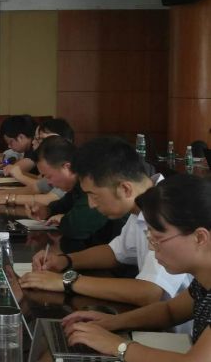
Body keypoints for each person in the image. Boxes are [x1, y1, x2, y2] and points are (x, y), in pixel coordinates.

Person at [19, 137, 191, 324]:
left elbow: (150, 292)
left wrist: (67, 281)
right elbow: (115, 252)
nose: (91, 205)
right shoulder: (142, 205)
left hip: (175, 332)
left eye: (93, 195)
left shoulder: (169, 212)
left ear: (125, 189)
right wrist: (65, 261)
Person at [62, 174, 211, 362]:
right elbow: (170, 311)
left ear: (199, 237)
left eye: (158, 238)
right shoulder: (203, 282)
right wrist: (113, 322)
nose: (151, 246)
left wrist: (118, 346)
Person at [25, 136, 127, 250]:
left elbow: (77, 227)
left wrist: (64, 220)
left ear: (68, 168)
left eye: (48, 176)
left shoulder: (95, 181)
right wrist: (47, 211)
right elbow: (64, 204)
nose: (48, 182)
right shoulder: (77, 185)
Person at [0, 118, 75, 207]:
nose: (34, 142)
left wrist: (8, 198)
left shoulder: (70, 166)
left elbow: (49, 199)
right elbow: (36, 187)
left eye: (41, 139)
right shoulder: (51, 162)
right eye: (36, 138)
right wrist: (0, 193)